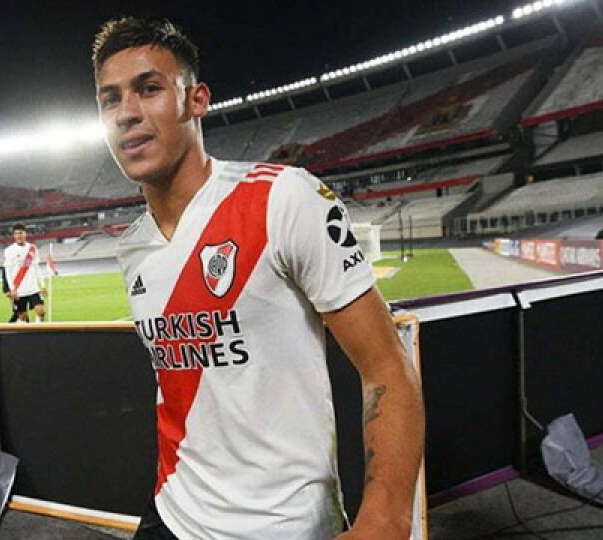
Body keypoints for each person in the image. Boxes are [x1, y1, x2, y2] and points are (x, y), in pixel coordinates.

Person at [93, 18, 424, 540]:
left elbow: (388, 368)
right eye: (109, 99)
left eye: (149, 88)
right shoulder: (133, 246)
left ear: (196, 100)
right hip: (172, 514)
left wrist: (385, 518)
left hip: (283, 527)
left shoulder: (284, 199)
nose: (126, 112)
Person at [2, 223, 46, 323]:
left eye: (21, 233)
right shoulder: (9, 250)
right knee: (22, 316)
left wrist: (42, 285)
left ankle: (38, 329)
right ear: (14, 235)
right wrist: (12, 289)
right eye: (16, 234)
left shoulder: (32, 248)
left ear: (25, 234)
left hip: (33, 287)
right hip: (19, 289)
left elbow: (36, 267)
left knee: (41, 311)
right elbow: (7, 271)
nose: (19, 236)